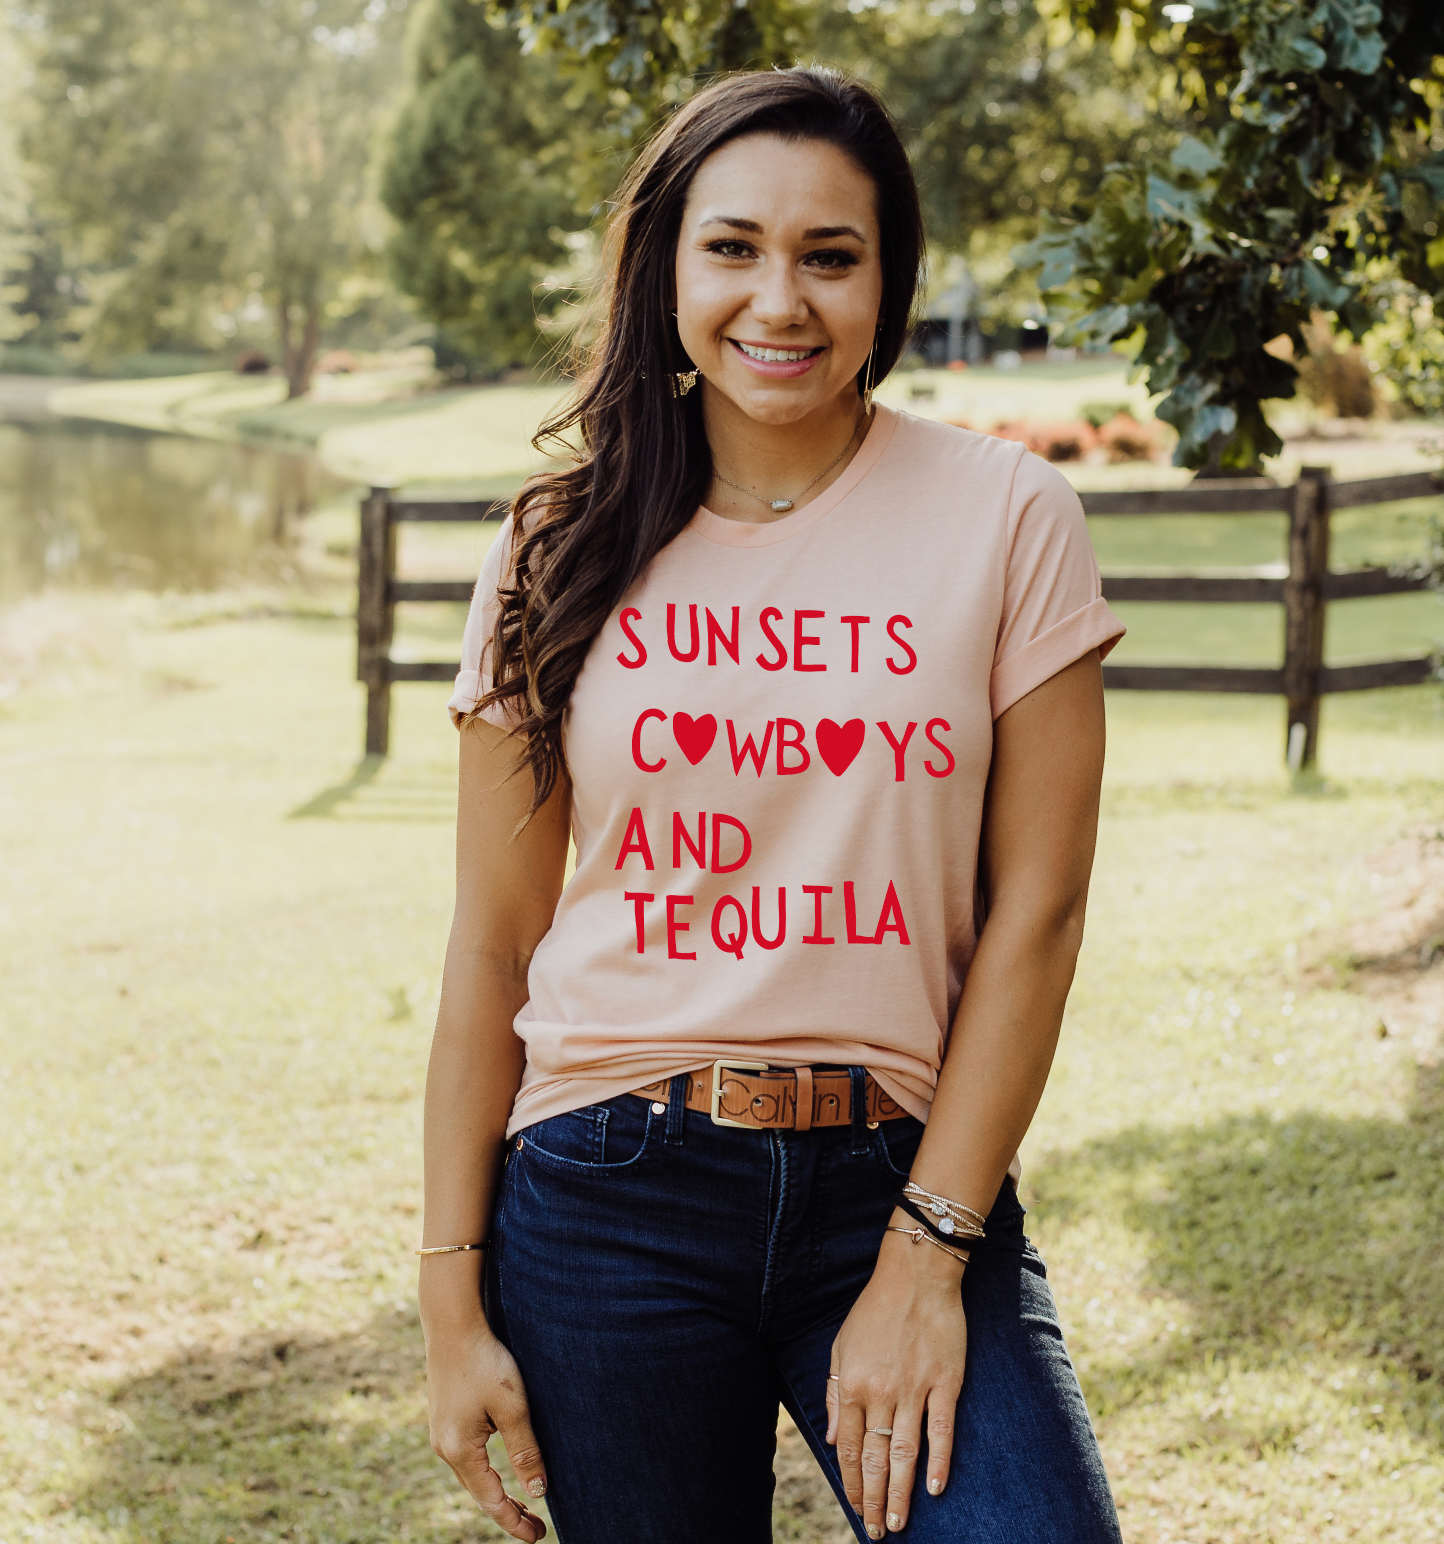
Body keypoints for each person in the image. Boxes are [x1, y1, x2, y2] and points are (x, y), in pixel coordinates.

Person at [419, 65, 1126, 1544]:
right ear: (666, 264)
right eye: (733, 247)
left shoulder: (1005, 516)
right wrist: (447, 1295)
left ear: (889, 278)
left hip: (902, 1176)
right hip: (604, 1192)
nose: (779, 300)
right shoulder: (555, 545)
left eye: (831, 255)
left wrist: (930, 1254)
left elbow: (1038, 911)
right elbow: (494, 942)